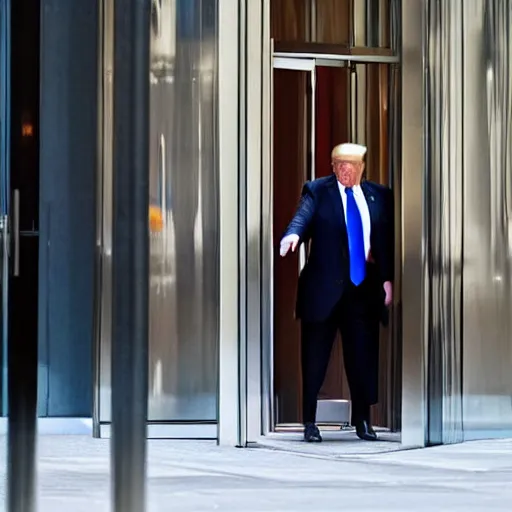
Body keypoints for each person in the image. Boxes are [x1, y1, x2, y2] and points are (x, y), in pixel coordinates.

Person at [280, 143, 394, 442]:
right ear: (332, 166)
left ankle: (363, 420)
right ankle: (310, 422)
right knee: (315, 359)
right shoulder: (317, 191)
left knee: (362, 358)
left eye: (352, 164)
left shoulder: (380, 196)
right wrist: (293, 235)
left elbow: (387, 241)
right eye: (340, 164)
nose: (346, 169)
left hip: (362, 291)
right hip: (323, 291)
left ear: (362, 166)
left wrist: (387, 279)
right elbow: (302, 217)